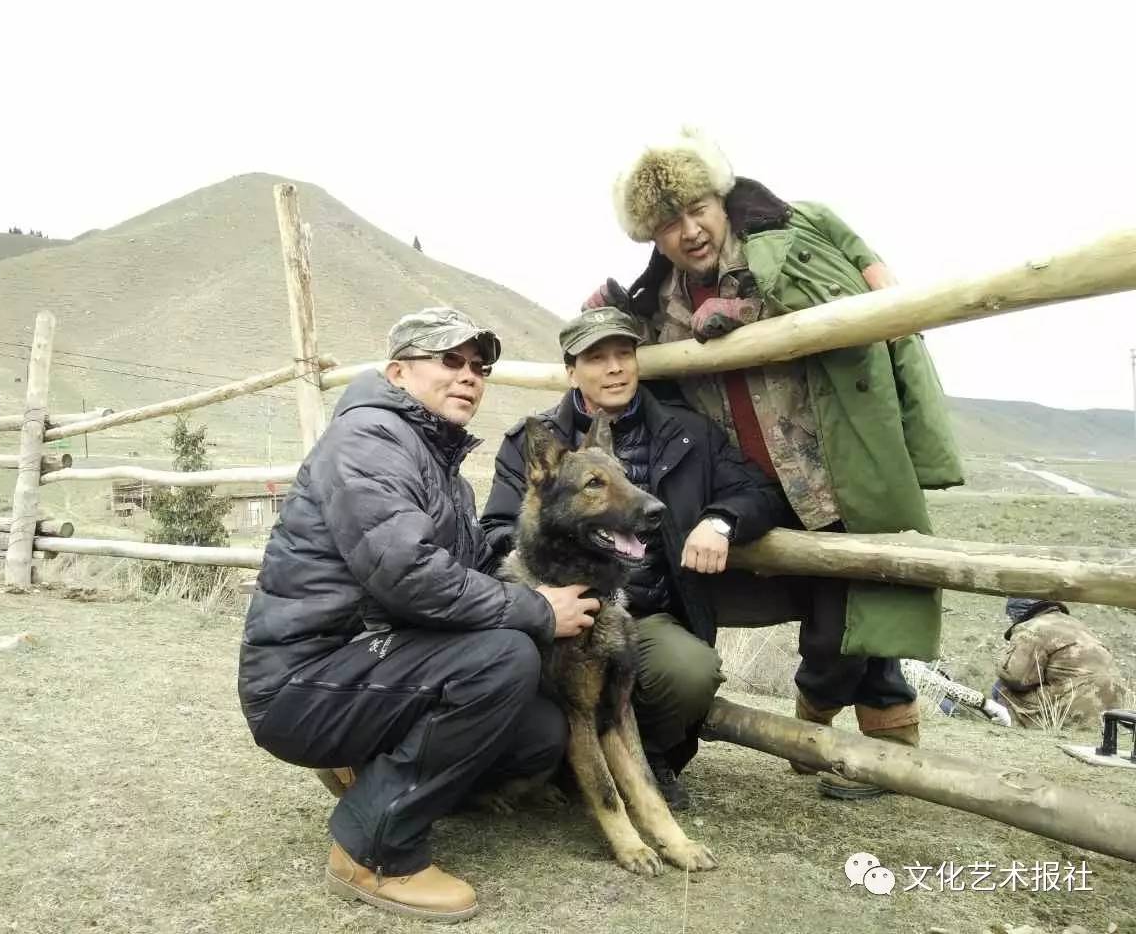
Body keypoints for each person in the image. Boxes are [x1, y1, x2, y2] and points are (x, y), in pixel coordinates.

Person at [591, 126, 966, 799]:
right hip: (751, 485)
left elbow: (863, 303)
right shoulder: (663, 303)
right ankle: (851, 737)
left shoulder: (788, 249)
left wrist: (752, 310)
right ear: (653, 237)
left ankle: (870, 742)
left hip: (831, 469)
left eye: (697, 209)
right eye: (668, 224)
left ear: (719, 197)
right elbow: (623, 357)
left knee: (858, 605)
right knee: (837, 610)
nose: (690, 231)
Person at [238, 307, 600, 923]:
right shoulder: (370, 441)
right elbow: (409, 575)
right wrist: (536, 607)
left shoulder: (436, 460)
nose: (469, 378)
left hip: (367, 665)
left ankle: (378, 776)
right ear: (397, 372)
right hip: (303, 680)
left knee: (539, 733)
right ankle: (373, 851)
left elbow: (468, 566)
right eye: (450, 362)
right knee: (504, 657)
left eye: (478, 368)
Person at [482, 307, 790, 808]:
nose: (615, 368)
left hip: (647, 609)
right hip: (559, 607)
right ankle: (562, 766)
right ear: (571, 370)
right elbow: (496, 527)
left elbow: (755, 491)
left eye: (624, 353)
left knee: (689, 671)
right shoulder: (530, 443)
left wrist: (720, 521)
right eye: (597, 357)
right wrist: (541, 590)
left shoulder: (690, 433)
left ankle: (648, 758)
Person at [994, 598, 1125, 729]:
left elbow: (1015, 678)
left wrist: (1002, 661)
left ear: (1016, 614)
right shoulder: (1075, 624)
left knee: (1000, 688)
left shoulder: (1032, 627)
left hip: (1079, 705)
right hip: (1112, 708)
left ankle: (1004, 728)